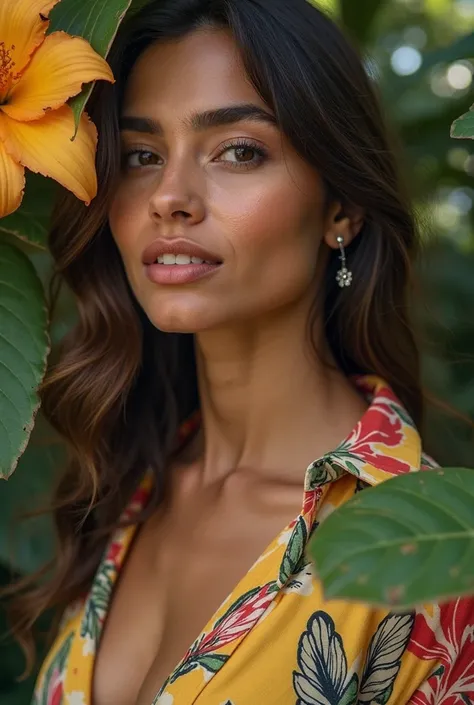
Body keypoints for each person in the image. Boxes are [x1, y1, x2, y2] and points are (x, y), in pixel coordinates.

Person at [12, 0, 473, 703]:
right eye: (142, 156)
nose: (170, 196)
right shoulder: (122, 487)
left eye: (238, 151)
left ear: (341, 207)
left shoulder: (438, 558)